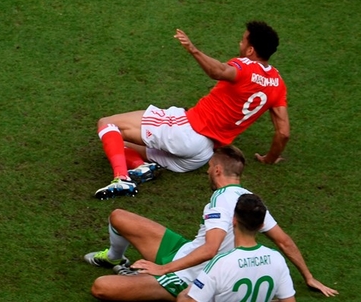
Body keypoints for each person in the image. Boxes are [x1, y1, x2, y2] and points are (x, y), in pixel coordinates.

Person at [83, 145, 338, 301]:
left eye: (209, 167)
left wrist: (163, 269)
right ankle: (115, 259)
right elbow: (284, 241)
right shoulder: (250, 201)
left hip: (190, 275)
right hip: (185, 251)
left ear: (217, 170)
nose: (206, 171)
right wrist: (309, 277)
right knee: (119, 216)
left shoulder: (219, 201)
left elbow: (210, 249)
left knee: (101, 287)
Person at [94, 21, 290, 199]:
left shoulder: (245, 66)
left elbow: (218, 71)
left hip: (187, 131)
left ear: (250, 50)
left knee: (107, 124)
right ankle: (141, 167)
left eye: (243, 40)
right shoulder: (277, 82)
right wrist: (269, 159)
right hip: (201, 155)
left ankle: (122, 179)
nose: (240, 43)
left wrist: (193, 49)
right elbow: (283, 133)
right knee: (115, 142)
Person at [177, 193, 296, 302]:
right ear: (261, 226)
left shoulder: (221, 263)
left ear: (234, 220)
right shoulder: (277, 259)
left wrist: (184, 295)